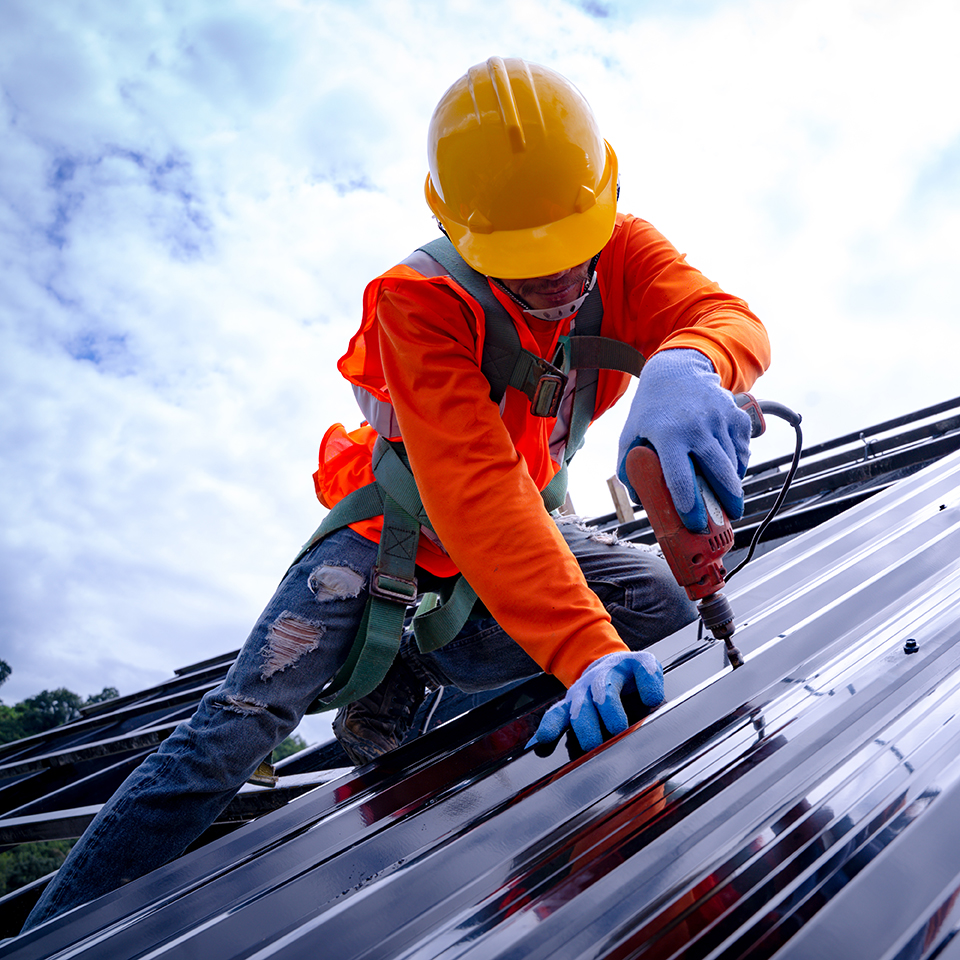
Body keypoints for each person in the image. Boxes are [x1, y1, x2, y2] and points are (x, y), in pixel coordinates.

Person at [22, 56, 769, 931]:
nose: (560, 283)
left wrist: (690, 362)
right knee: (239, 722)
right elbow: (477, 492)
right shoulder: (421, 301)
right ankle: (50, 932)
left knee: (661, 607)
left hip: (523, 534)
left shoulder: (623, 251)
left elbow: (726, 318)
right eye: (529, 267)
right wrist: (581, 648)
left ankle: (554, 829)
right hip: (398, 534)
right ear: (464, 232)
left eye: (572, 256)